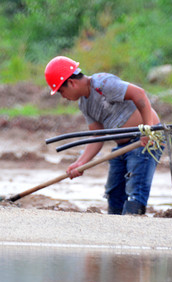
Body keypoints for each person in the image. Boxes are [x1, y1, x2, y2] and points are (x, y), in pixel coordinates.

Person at [44, 55, 162, 215]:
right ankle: (115, 229)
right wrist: (80, 163)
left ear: (71, 82)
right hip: (123, 146)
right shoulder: (84, 103)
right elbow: (96, 136)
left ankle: (134, 223)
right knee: (114, 194)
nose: (63, 96)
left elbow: (139, 94)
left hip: (143, 141)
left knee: (135, 192)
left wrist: (149, 129)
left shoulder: (103, 84)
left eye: (61, 91)